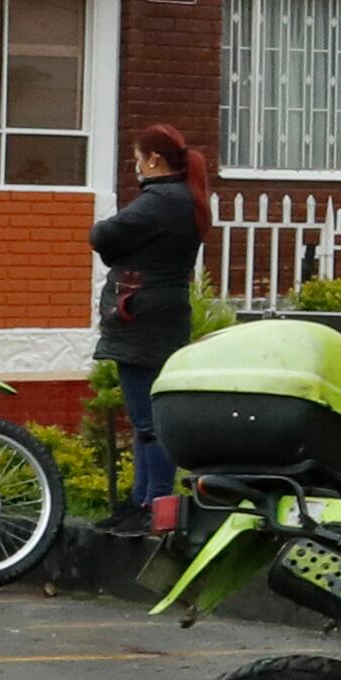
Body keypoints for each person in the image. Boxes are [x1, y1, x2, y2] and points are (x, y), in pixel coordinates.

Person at [93, 124, 208, 521]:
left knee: (148, 419)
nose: (136, 164)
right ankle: (142, 499)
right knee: (146, 417)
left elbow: (103, 235)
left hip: (143, 317)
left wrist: (115, 245)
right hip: (160, 312)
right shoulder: (184, 199)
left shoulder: (160, 199)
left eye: (139, 157)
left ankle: (154, 504)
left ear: (154, 159)